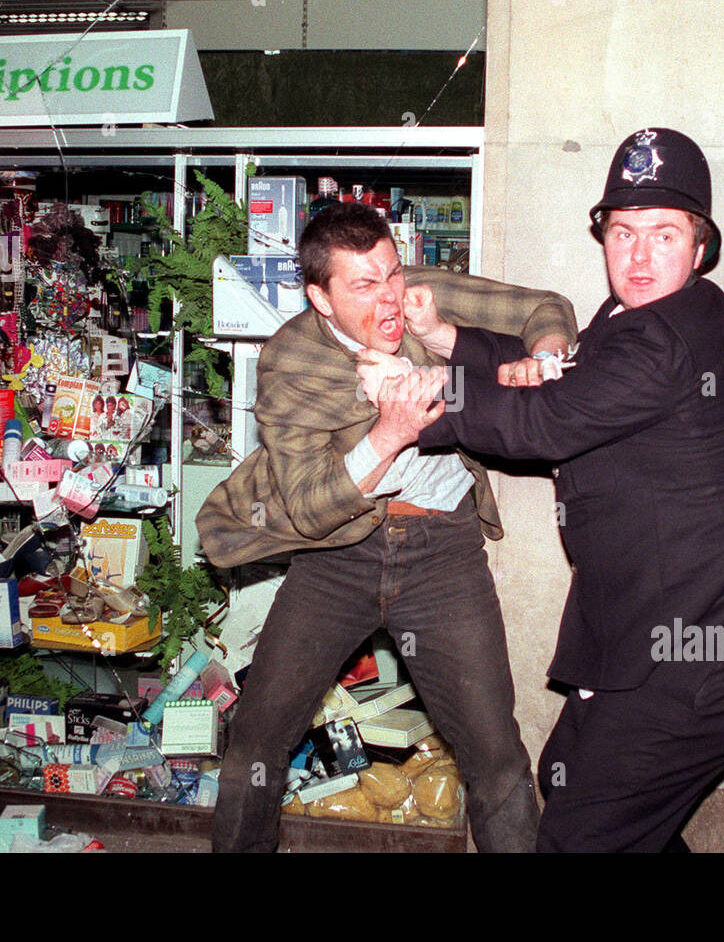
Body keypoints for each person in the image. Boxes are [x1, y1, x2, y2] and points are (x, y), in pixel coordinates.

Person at [406, 128, 724, 852]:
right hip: (680, 620)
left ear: (700, 246)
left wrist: (419, 402)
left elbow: (542, 424)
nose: (638, 257)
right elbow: (565, 376)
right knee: (578, 778)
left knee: (585, 830)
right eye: (623, 232)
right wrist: (455, 342)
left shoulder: (661, 337)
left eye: (664, 234)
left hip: (719, 635)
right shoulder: (641, 317)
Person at [196, 201, 577, 852]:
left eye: (392, 273)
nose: (390, 297)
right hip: (335, 559)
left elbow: (545, 308)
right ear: (321, 296)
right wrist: (390, 434)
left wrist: (543, 355)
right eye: (364, 285)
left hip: (442, 552)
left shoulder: (423, 296)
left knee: (493, 748)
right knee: (256, 739)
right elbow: (312, 508)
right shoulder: (291, 361)